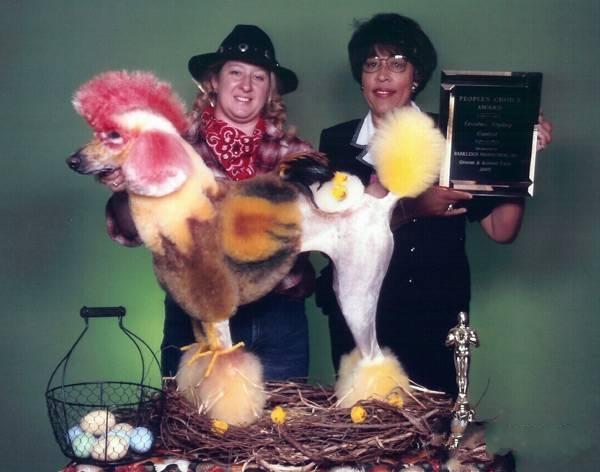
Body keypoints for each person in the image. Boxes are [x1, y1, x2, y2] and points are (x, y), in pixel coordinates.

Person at [315, 13, 553, 395]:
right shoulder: (336, 142)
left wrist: (520, 155)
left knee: (434, 428)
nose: (383, 75)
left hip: (434, 313)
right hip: (359, 315)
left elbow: (502, 229)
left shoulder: (453, 134)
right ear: (360, 76)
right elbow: (336, 236)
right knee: (363, 425)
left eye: (397, 64)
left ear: (416, 76)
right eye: (372, 64)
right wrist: (414, 209)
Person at [102, 24, 315, 380]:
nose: (246, 86)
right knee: (190, 418)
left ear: (271, 90)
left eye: (258, 77)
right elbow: (129, 232)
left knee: (284, 417)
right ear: (214, 81)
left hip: (279, 317)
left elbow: (318, 233)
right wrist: (129, 189)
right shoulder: (173, 146)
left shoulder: (297, 155)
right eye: (235, 73)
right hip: (195, 315)